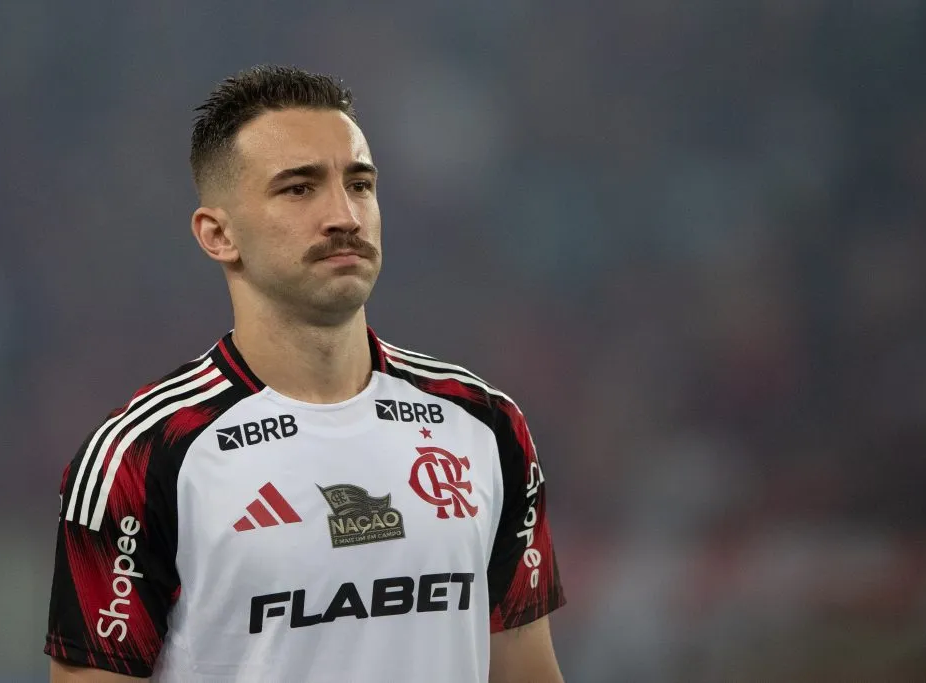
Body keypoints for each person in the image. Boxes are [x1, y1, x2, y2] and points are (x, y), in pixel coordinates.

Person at [44, 65, 565, 682]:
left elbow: (526, 670)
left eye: (360, 184)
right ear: (218, 234)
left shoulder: (484, 424)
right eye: (299, 189)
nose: (344, 215)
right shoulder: (141, 456)